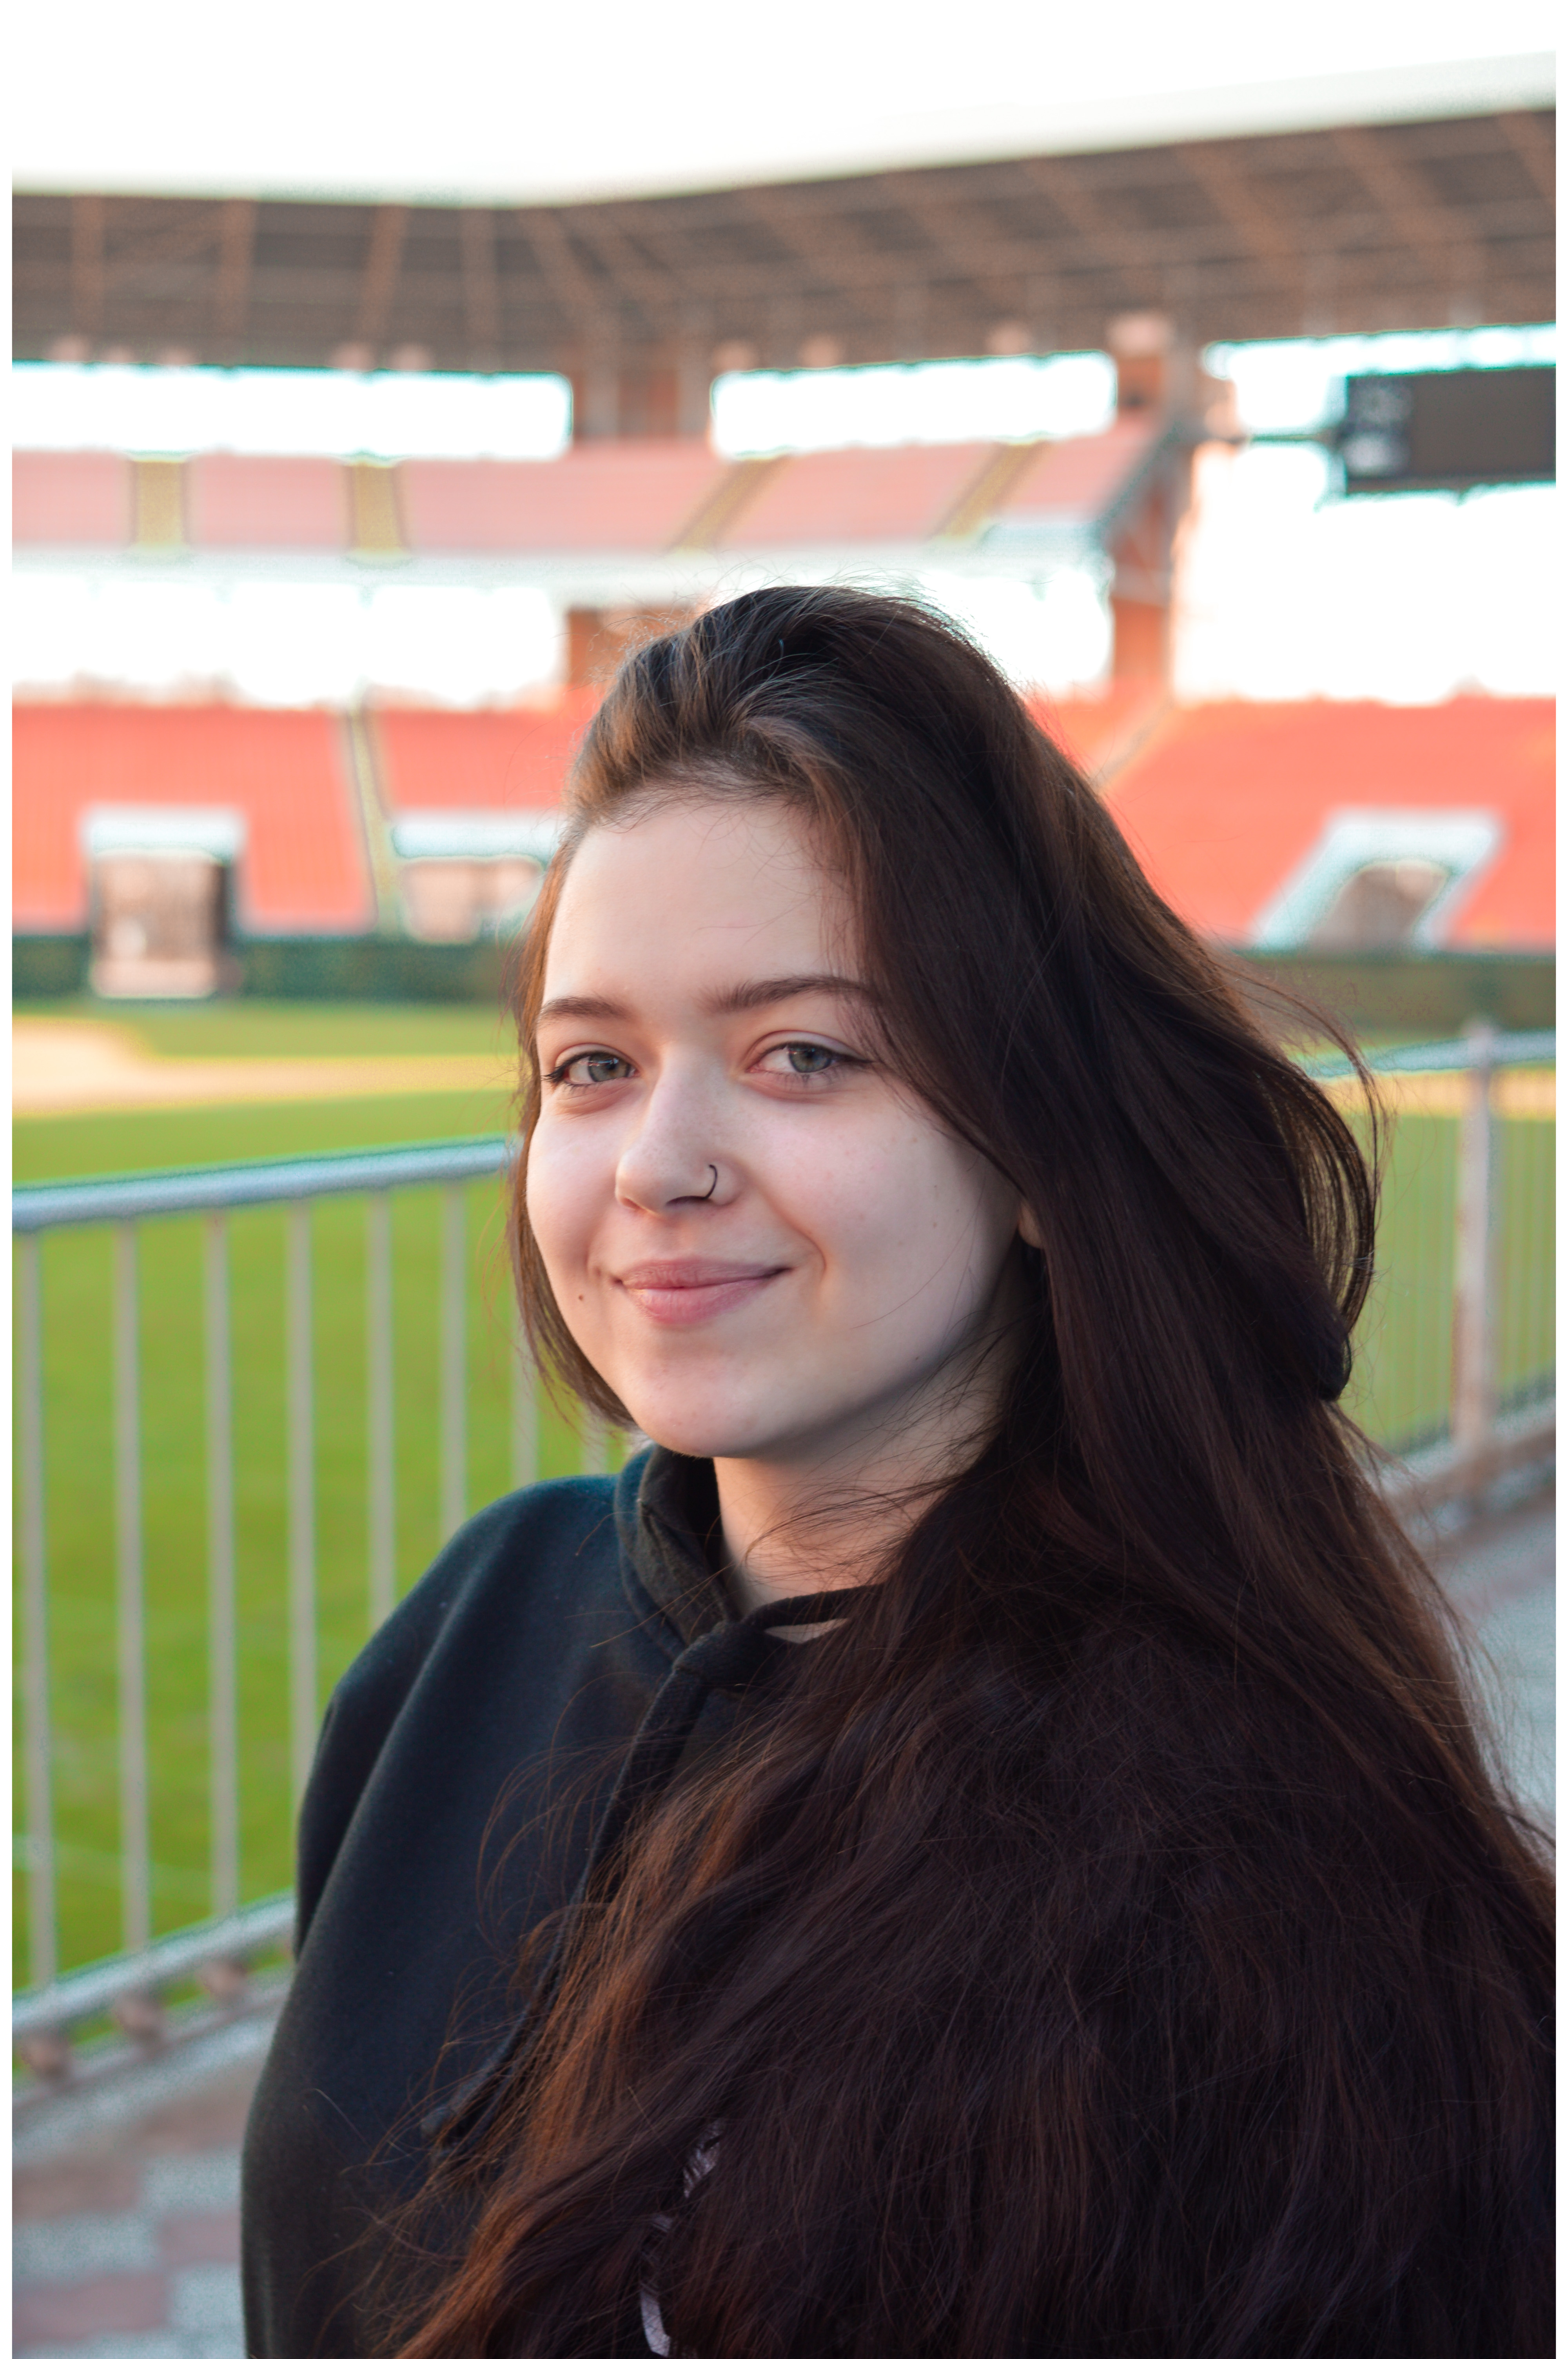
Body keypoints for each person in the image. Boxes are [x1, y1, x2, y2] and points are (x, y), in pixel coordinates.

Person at [242, 586, 1552, 2359]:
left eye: (803, 1055)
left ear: (1038, 1152)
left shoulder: (1265, 1879)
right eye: (592, 1064)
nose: (658, 1163)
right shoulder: (475, 1629)